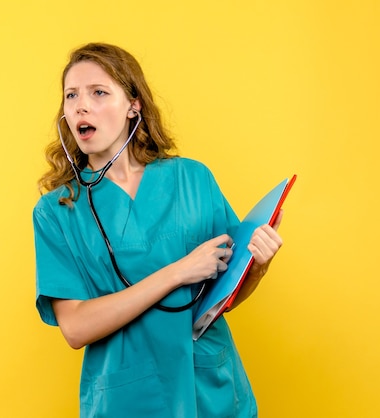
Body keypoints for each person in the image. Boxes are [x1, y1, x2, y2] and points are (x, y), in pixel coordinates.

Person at [33, 42, 284, 418]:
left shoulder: (192, 179)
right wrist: (179, 271)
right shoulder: (57, 211)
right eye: (71, 96)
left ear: (133, 106)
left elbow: (223, 296)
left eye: (98, 92)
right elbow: (76, 327)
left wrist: (258, 264)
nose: (80, 105)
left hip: (209, 390)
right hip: (129, 399)